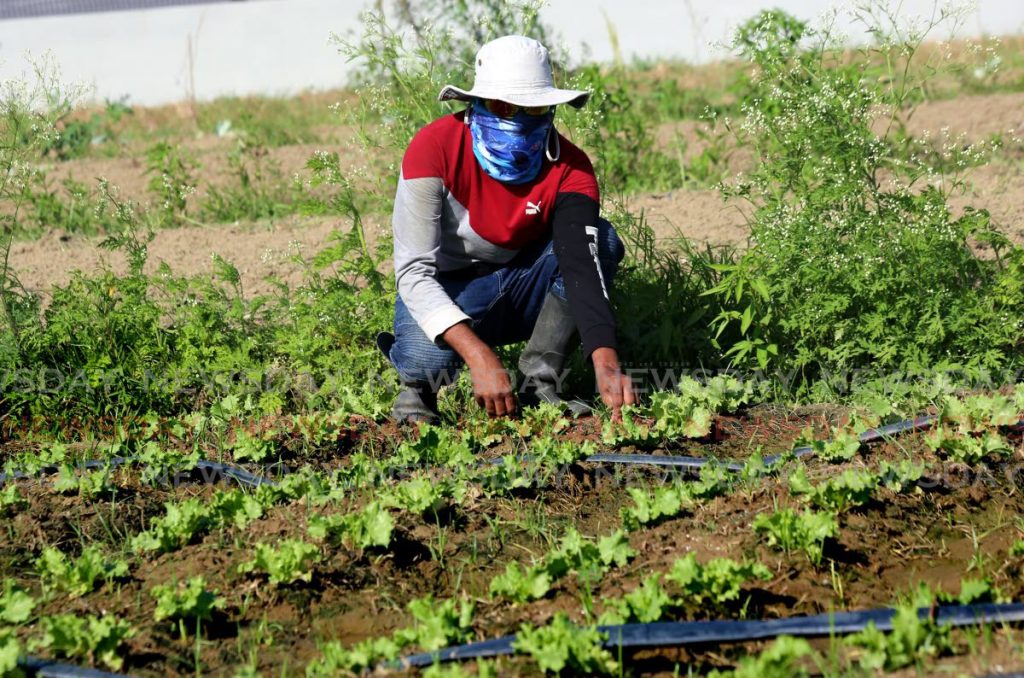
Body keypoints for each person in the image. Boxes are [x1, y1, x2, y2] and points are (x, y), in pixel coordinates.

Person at [376, 34, 634, 423]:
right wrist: (479, 355)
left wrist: (606, 360)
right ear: (476, 103)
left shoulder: (572, 169)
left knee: (605, 239)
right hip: (450, 287)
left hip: (522, 281)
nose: (515, 119)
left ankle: (538, 383)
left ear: (549, 110)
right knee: (425, 358)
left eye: (531, 110)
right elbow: (413, 274)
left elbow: (581, 265)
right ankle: (418, 393)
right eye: (503, 106)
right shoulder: (433, 148)